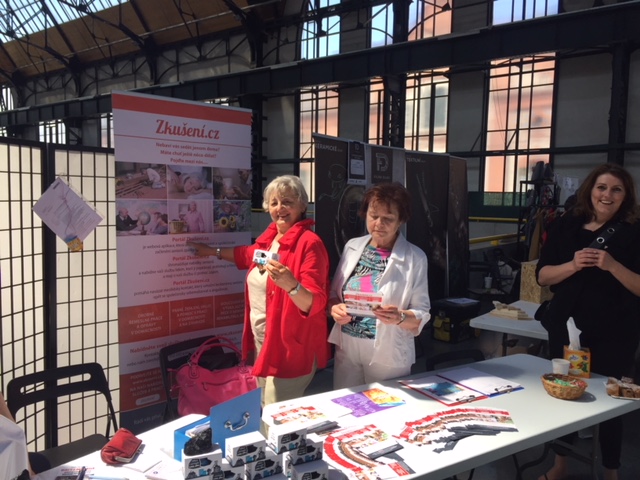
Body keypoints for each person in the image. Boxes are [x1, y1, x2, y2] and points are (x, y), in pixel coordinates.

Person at [187, 175, 330, 406]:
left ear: (302, 205)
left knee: (276, 415)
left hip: (290, 348)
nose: (280, 208)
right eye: (274, 203)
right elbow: (246, 255)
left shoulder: (309, 243)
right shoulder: (271, 238)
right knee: (264, 406)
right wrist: (211, 251)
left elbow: (315, 302)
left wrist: (291, 285)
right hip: (264, 343)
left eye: (287, 202)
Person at [536, 163, 640, 480]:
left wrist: (612, 265)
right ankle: (560, 464)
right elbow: (543, 276)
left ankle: (611, 471)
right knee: (565, 395)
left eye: (616, 189)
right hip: (567, 331)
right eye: (601, 187)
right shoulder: (566, 225)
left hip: (616, 333)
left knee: (612, 401)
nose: (607, 195)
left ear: (625, 196)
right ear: (590, 190)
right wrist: (572, 264)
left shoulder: (635, 232)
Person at [328, 182, 431, 388]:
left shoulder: (415, 257)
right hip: (348, 346)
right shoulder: (352, 247)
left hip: (388, 351)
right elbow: (334, 294)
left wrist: (400, 317)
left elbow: (422, 312)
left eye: (388, 218)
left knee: (385, 403)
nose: (378, 224)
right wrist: (335, 308)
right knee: (346, 402)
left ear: (401, 220)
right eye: (373, 216)